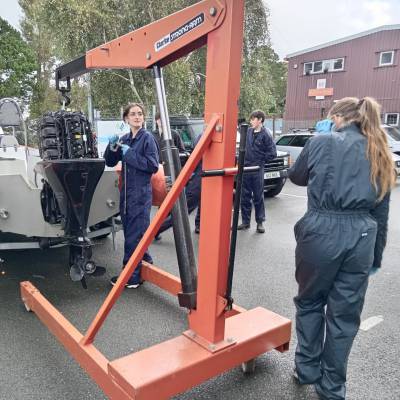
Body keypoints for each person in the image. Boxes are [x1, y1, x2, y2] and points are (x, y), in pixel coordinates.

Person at [289, 97, 395, 399]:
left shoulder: (322, 141)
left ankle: (307, 369)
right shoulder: (379, 150)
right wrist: (375, 254)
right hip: (362, 237)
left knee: (310, 303)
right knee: (344, 317)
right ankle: (332, 388)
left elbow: (296, 177)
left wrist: (316, 141)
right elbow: (381, 211)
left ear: (337, 117)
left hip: (320, 233)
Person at [104, 103, 159, 289]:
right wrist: (111, 147)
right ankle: (146, 263)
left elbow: (152, 165)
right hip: (126, 195)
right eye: (133, 114)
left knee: (133, 236)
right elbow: (110, 161)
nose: (137, 117)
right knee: (133, 233)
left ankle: (131, 277)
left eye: (140, 114)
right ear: (126, 119)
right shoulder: (125, 138)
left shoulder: (147, 139)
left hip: (140, 195)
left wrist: (130, 154)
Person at [238, 110, 277, 233]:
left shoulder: (266, 135)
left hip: (257, 170)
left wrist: (260, 161)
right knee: (245, 196)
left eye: (253, 119)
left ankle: (260, 222)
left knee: (258, 197)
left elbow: (272, 154)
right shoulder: (248, 132)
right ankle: (245, 222)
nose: (251, 121)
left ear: (260, 120)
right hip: (246, 169)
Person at [156, 133, 202, 237]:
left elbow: (184, 152)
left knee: (179, 207)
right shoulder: (203, 136)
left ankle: (199, 225)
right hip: (193, 178)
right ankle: (155, 230)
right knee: (180, 211)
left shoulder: (174, 134)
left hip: (198, 176)